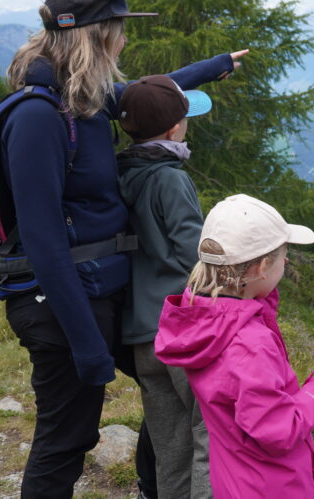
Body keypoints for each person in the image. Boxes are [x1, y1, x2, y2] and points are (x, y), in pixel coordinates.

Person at [0, 0, 245, 498]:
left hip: (97, 295)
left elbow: (146, 100)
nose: (125, 40)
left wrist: (213, 68)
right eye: (118, 29)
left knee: (168, 394)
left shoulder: (82, 97)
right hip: (59, 304)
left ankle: (158, 488)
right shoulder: (40, 116)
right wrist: (88, 344)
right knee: (67, 435)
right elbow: (44, 241)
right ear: (92, 35)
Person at [155, 194, 314, 499]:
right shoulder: (249, 343)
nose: (288, 261)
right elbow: (277, 431)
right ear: (261, 267)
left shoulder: (206, 321)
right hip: (271, 485)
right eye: (284, 256)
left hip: (233, 478)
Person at [116, 75, 214, 498]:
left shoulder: (118, 174)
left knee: (169, 448)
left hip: (142, 336)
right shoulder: (170, 178)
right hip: (181, 330)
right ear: (176, 129)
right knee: (209, 437)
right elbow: (197, 257)